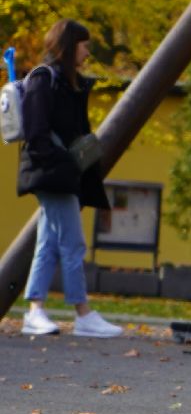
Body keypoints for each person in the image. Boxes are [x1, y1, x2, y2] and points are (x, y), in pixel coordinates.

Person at [15, 19, 122, 339]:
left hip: (58, 174)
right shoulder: (43, 80)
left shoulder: (65, 82)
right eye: (84, 45)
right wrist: (67, 161)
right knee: (72, 243)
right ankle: (82, 313)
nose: (88, 51)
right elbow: (36, 135)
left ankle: (35, 310)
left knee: (48, 243)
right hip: (52, 174)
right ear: (69, 45)